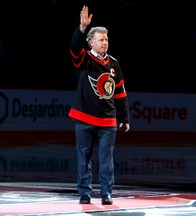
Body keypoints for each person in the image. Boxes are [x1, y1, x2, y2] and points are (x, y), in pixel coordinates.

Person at [68, 5, 130, 205]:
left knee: (106, 161)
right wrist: (81, 28)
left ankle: (106, 193)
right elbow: (74, 47)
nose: (105, 43)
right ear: (91, 42)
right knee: (83, 159)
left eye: (106, 40)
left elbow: (120, 92)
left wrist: (125, 117)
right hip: (84, 117)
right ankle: (85, 192)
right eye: (101, 40)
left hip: (108, 121)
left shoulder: (114, 63)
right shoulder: (84, 59)